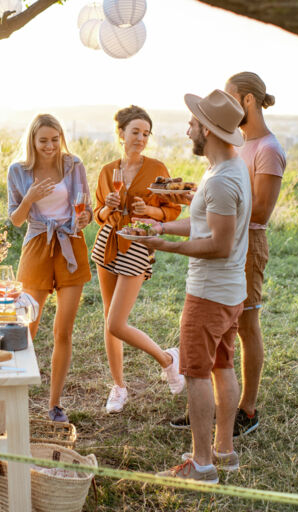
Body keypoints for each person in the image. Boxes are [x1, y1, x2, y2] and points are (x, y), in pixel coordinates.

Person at [168, 72, 287, 439]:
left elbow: (260, 211)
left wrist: (214, 207)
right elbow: (229, 197)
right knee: (220, 342)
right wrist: (201, 200)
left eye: (233, 99)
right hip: (229, 239)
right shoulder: (240, 149)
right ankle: (211, 409)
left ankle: (246, 410)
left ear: (248, 100)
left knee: (245, 328)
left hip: (245, 245)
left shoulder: (268, 149)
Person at [143, 89, 251, 482]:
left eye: (193, 122)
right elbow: (204, 222)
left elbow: (219, 245)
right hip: (230, 292)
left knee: (196, 373)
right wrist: (162, 228)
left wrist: (166, 247)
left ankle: (201, 464)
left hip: (209, 293)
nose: (187, 129)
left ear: (208, 130)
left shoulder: (222, 180)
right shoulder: (228, 169)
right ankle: (224, 451)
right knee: (223, 365)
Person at [91, 105, 185, 414]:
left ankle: (167, 360)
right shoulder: (108, 171)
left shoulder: (157, 168)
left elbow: (172, 211)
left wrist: (150, 211)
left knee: (116, 322)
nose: (141, 138)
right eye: (135, 132)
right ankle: (118, 387)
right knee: (109, 320)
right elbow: (98, 214)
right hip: (108, 243)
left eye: (146, 133)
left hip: (137, 244)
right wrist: (108, 207)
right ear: (121, 133)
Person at [7, 114, 93, 423]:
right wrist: (29, 198)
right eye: (43, 140)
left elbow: (87, 209)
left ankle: (54, 404)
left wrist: (85, 218)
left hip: (71, 243)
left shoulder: (73, 165)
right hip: (37, 246)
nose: (50, 146)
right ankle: (15, 396)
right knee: (26, 327)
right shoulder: (18, 170)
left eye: (55, 140)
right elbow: (16, 220)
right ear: (32, 140)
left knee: (63, 331)